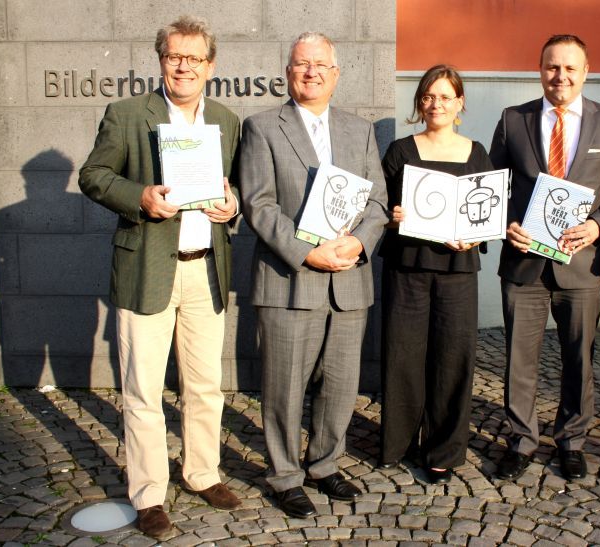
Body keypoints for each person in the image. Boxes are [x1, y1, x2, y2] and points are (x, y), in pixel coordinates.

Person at [78, 15, 241, 540]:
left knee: (205, 385)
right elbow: (94, 176)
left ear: (211, 66)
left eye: (195, 58)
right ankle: (148, 494)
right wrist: (139, 198)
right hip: (147, 267)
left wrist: (231, 204)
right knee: (144, 389)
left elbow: (231, 187)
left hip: (205, 272)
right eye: (175, 56)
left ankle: (201, 474)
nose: (184, 66)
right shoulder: (128, 114)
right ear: (161, 61)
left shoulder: (225, 118)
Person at [238, 32, 388, 518]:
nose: (312, 72)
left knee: (342, 385)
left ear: (336, 73)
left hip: (348, 280)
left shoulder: (359, 130)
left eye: (321, 65)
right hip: (290, 279)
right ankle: (284, 475)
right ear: (288, 72)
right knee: (283, 386)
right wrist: (308, 252)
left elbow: (378, 203)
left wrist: (359, 242)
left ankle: (325, 464)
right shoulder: (261, 127)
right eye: (302, 64)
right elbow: (258, 205)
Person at [489, 34, 600, 481]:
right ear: (540, 70)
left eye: (571, 68)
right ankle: (521, 440)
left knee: (580, 358)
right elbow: (493, 185)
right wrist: (504, 226)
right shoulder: (513, 119)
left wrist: (598, 225)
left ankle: (572, 440)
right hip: (524, 263)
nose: (561, 76)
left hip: (582, 262)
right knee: (519, 358)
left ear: (586, 72)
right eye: (553, 67)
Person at [378, 65, 492, 484]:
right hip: (407, 266)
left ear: (460, 103)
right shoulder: (400, 151)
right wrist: (393, 217)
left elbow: (487, 213)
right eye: (428, 96)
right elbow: (380, 212)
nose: (435, 104)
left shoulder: (477, 152)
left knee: (452, 359)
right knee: (403, 356)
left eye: (445, 96)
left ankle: (444, 449)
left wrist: (474, 236)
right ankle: (398, 444)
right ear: (419, 102)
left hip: (458, 269)